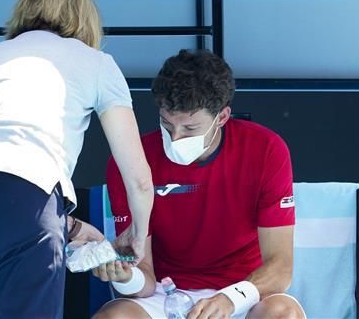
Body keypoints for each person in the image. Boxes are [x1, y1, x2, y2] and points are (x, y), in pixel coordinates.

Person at [92, 49, 306, 318]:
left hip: (243, 294)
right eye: (167, 125)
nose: (177, 138)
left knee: (283, 313)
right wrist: (124, 276)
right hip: (163, 294)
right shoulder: (131, 158)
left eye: (190, 129)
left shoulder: (267, 149)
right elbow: (143, 280)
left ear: (223, 117)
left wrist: (232, 297)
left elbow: (281, 267)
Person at [0, 0, 153, 318]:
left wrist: (69, 226)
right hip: (26, 198)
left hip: (12, 202)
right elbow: (140, 180)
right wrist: (137, 235)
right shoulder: (96, 63)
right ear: (85, 19)